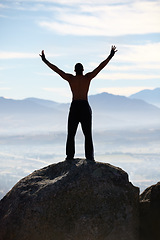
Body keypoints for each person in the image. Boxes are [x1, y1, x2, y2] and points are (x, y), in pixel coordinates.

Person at [39, 45, 117, 161]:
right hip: (85, 106)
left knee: (71, 133)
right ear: (83, 70)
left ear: (74, 70)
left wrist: (45, 60)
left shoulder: (71, 78)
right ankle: (89, 157)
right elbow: (100, 67)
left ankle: (69, 157)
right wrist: (110, 55)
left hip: (75, 106)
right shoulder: (88, 77)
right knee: (87, 134)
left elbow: (57, 70)